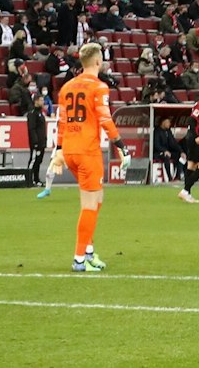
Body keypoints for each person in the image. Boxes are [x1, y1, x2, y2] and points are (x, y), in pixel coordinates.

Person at [57, 42, 130, 272]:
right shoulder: (99, 87)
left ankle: (88, 252)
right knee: (90, 205)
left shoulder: (67, 87)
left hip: (70, 149)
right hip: (87, 151)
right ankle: (79, 259)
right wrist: (120, 144)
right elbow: (105, 119)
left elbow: (61, 122)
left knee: (96, 199)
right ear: (98, 62)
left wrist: (59, 150)